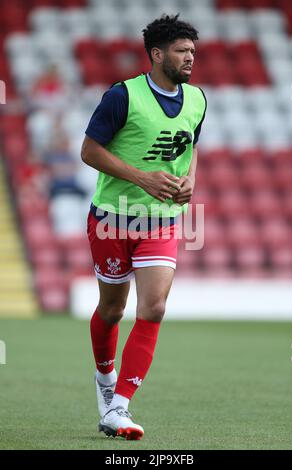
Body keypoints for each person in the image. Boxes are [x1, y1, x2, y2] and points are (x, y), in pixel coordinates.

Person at [81, 14, 207, 441]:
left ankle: (119, 406)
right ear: (157, 54)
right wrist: (142, 177)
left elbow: (190, 148)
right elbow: (89, 151)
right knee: (113, 310)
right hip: (112, 220)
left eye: (192, 51)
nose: (190, 58)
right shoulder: (122, 97)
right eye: (181, 51)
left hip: (161, 221)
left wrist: (190, 180)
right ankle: (104, 379)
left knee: (153, 308)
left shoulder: (197, 100)